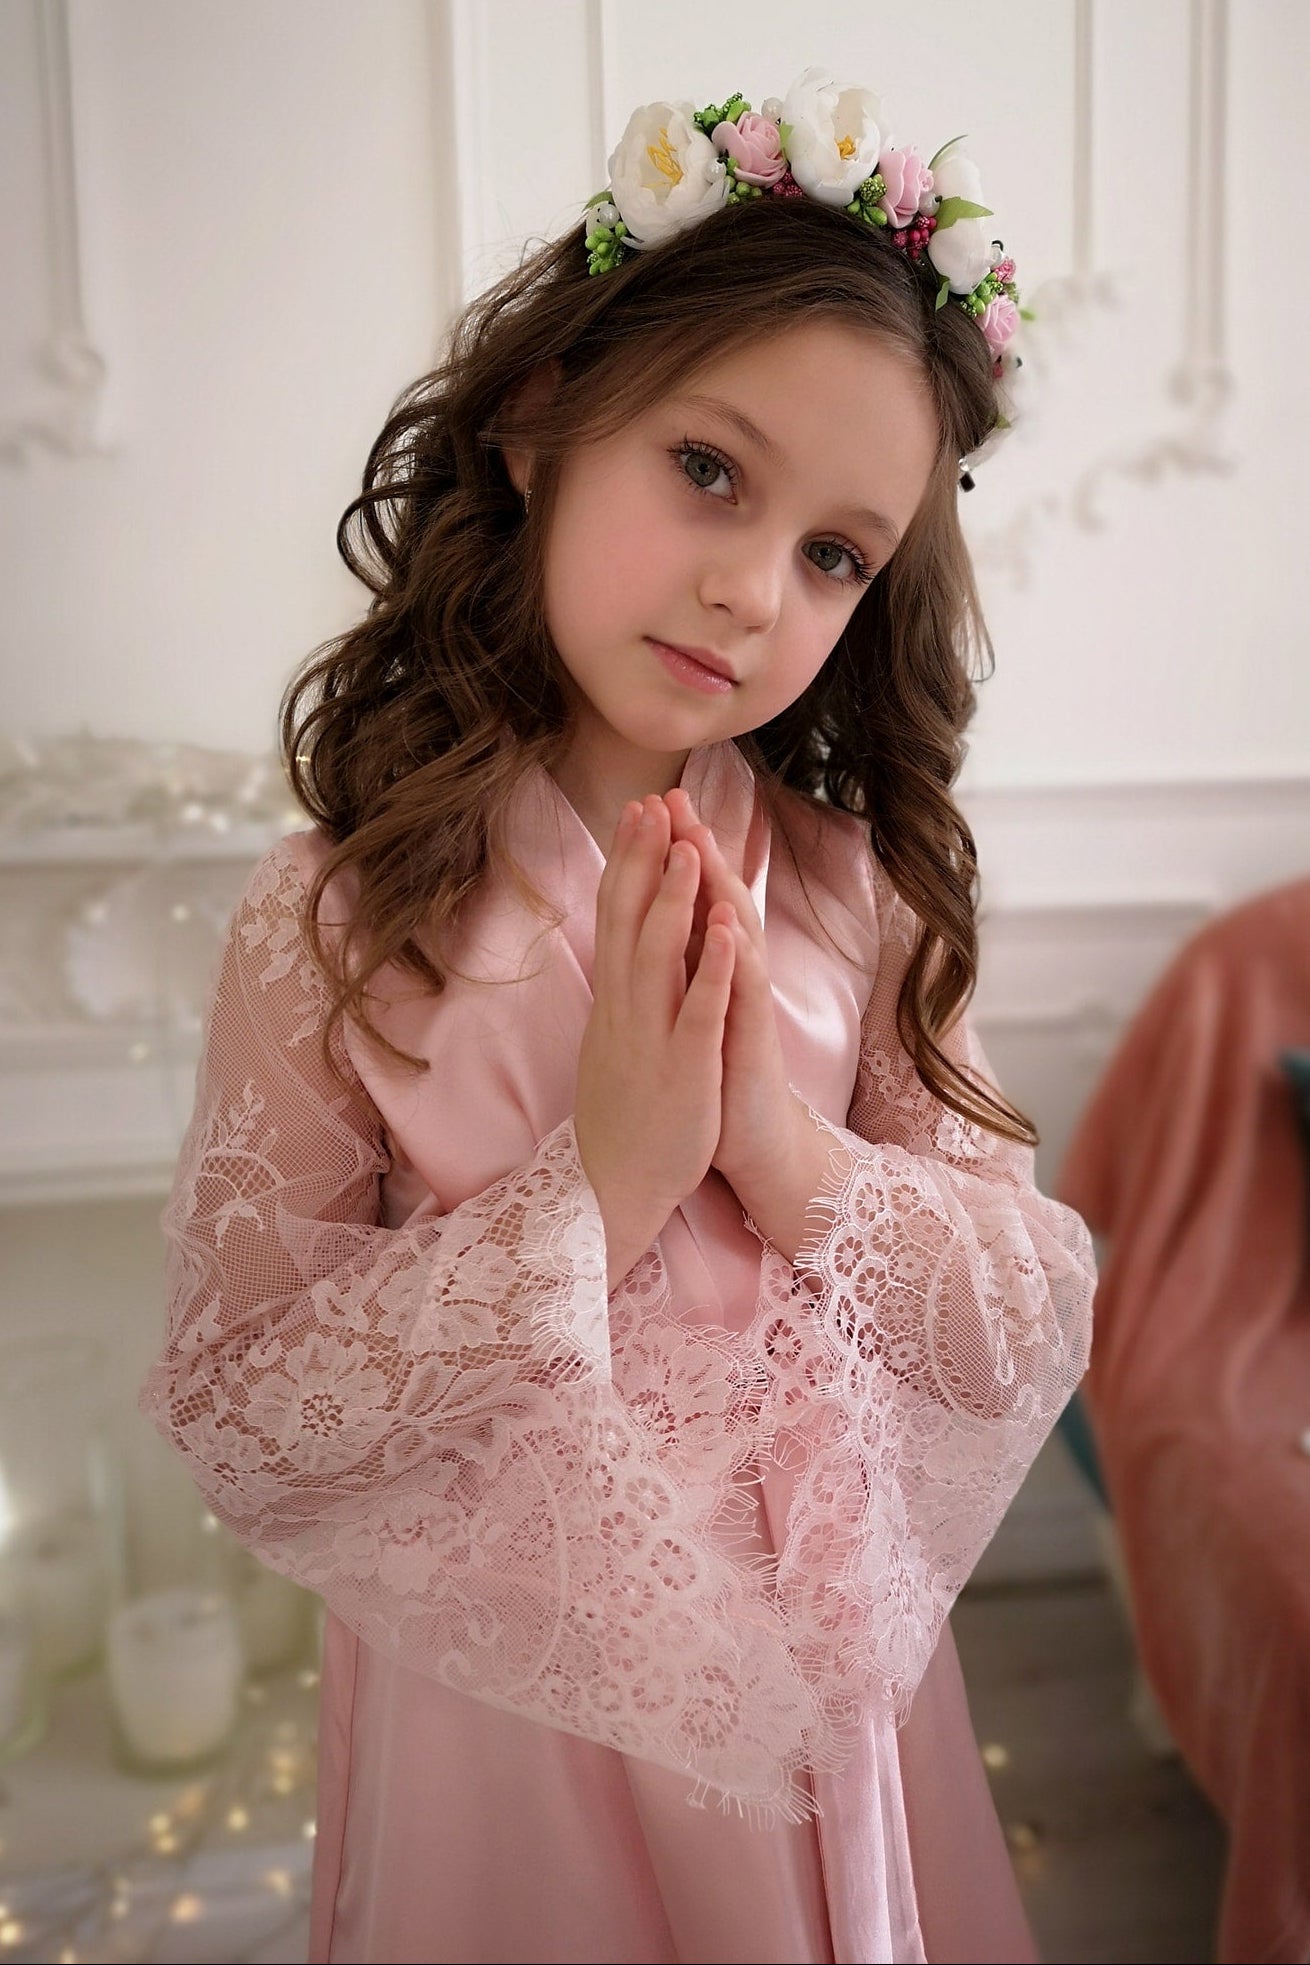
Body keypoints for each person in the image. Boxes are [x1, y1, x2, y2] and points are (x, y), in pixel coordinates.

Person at [142, 71, 1095, 1965]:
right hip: (515, 1727)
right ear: (541, 417)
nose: (752, 590)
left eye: (835, 552)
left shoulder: (859, 893)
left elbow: (1027, 1311)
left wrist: (785, 1153)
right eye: (709, 471)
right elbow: (248, 1417)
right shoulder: (332, 920)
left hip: (832, 1726)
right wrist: (598, 1186)